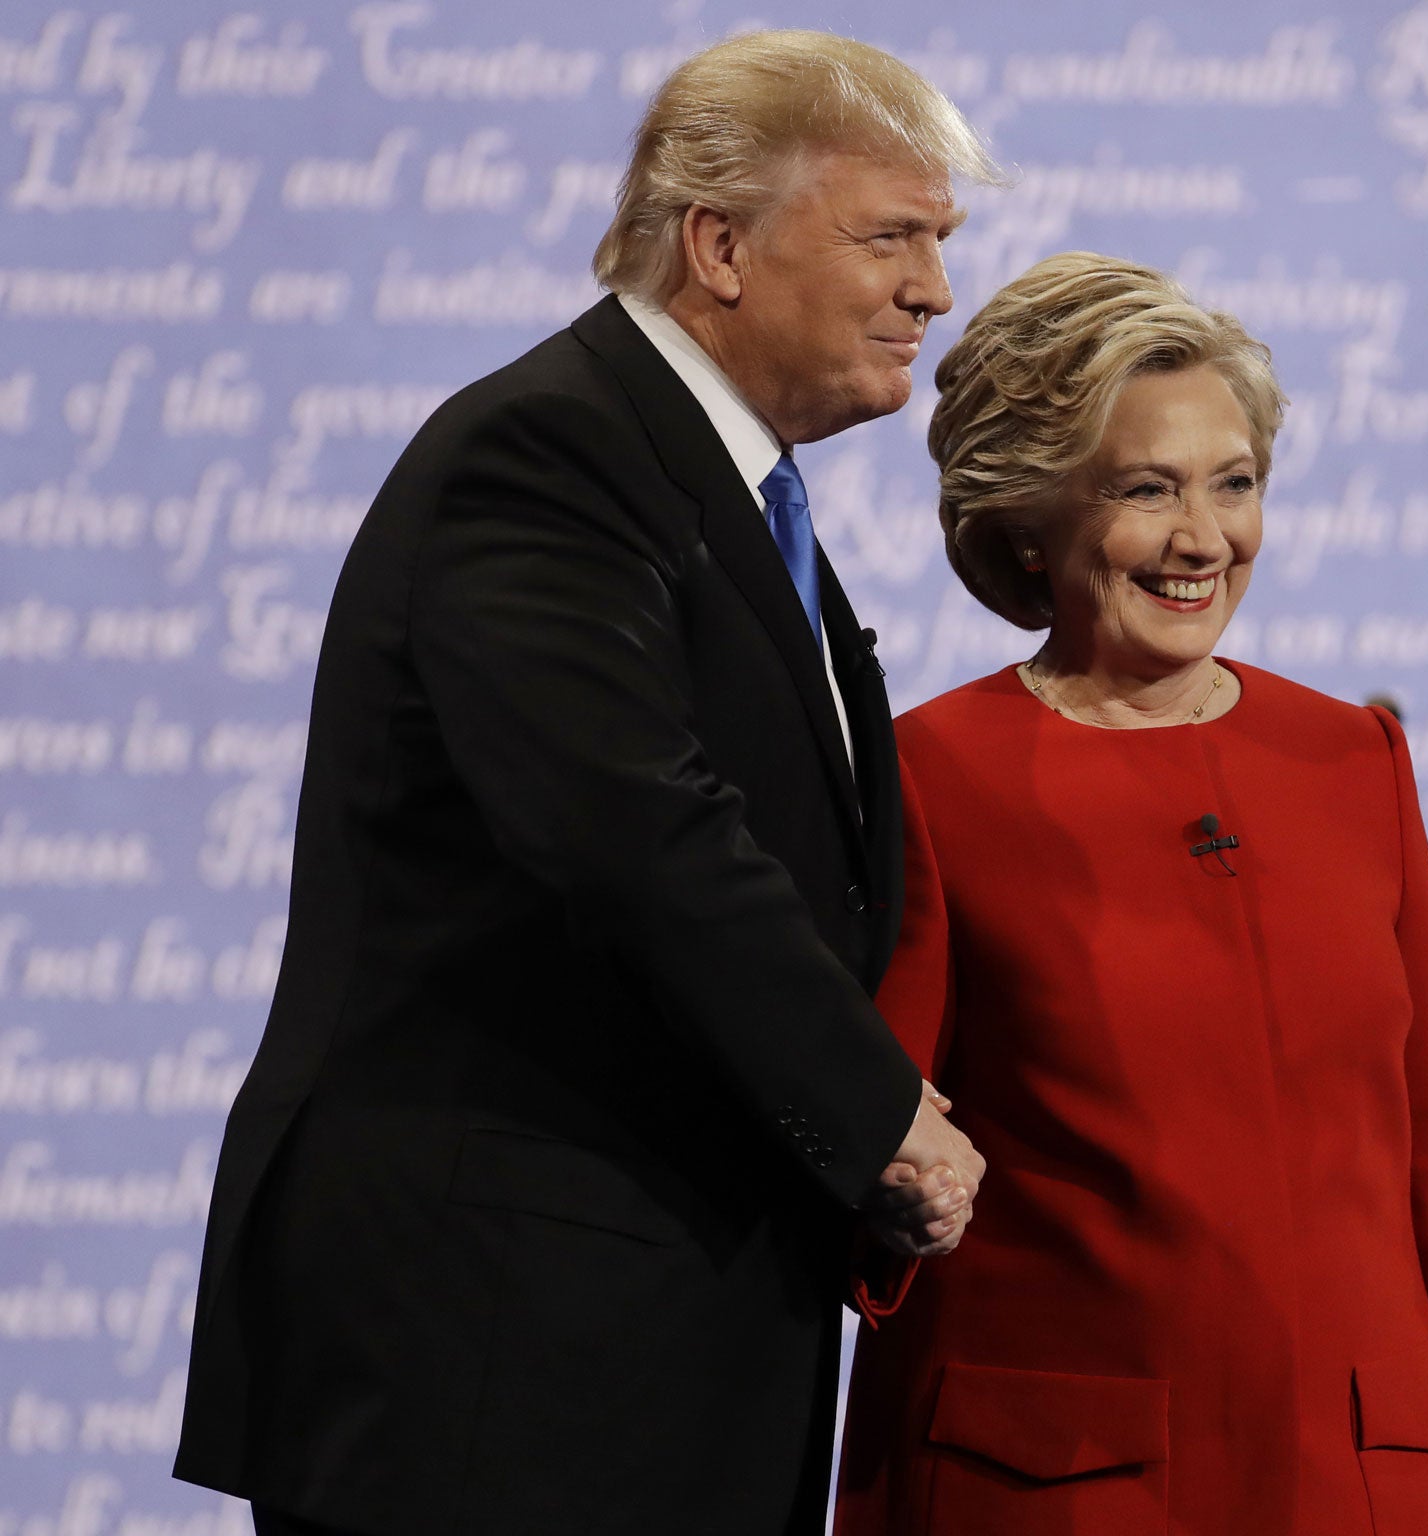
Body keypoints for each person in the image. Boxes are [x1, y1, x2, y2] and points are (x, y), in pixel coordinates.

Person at [173, 32, 998, 1536]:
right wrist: (876, 1109)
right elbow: (632, 828)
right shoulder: (551, 456)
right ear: (721, 245)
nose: (935, 291)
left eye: (941, 243)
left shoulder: (714, 488)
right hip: (494, 1359)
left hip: (633, 1342)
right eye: (894, 236)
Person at [832, 253, 1428, 1536]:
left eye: (1235, 485)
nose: (1202, 539)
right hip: (1062, 1490)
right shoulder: (931, 777)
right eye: (1144, 490)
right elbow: (881, 1148)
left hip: (1368, 1484)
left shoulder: (1353, 760)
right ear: (1029, 517)